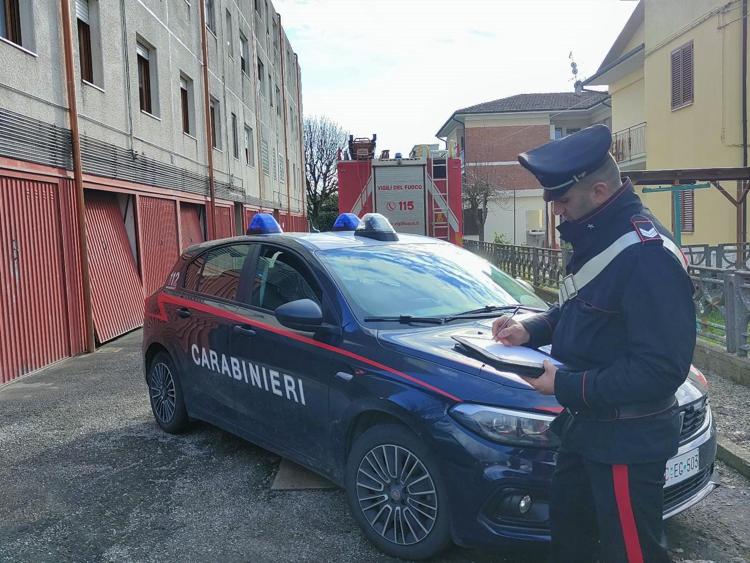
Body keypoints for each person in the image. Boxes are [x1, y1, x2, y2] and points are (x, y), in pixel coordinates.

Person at [492, 124, 696, 563]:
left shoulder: (645, 254)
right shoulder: (597, 235)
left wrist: (565, 386)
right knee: (571, 543)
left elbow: (660, 370)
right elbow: (581, 309)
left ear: (600, 191)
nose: (557, 213)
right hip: (587, 429)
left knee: (631, 554)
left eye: (562, 202)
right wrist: (532, 329)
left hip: (627, 438)